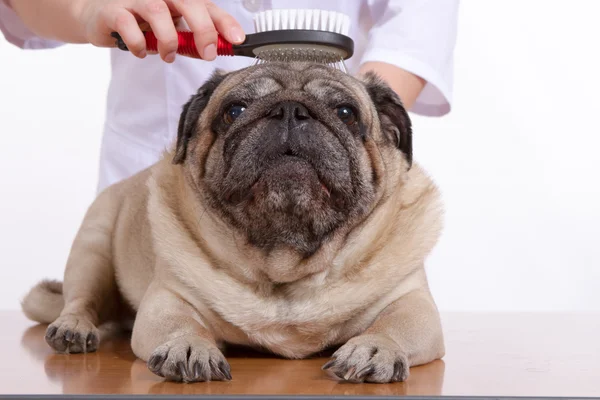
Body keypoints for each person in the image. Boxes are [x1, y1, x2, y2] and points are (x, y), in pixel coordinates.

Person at [1, 0, 459, 193]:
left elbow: (414, 36)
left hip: (330, 226)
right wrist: (85, 8)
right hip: (146, 194)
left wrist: (337, 136)